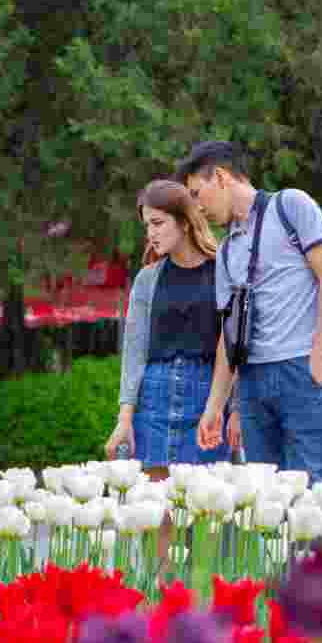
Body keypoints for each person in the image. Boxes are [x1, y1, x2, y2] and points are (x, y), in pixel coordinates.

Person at [176, 141, 322, 485]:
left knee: (312, 488)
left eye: (196, 194)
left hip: (301, 369)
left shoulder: (291, 205)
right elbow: (228, 335)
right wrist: (215, 406)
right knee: (264, 496)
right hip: (253, 382)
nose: (197, 208)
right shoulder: (226, 250)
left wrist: (321, 354)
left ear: (220, 177)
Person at [105, 179, 237, 471]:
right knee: (153, 496)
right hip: (153, 400)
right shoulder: (147, 279)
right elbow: (134, 352)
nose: (150, 233)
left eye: (158, 223)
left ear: (185, 222)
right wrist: (124, 419)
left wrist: (237, 408)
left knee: (206, 495)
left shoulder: (224, 273)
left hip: (209, 401)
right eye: (147, 226)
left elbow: (234, 348)